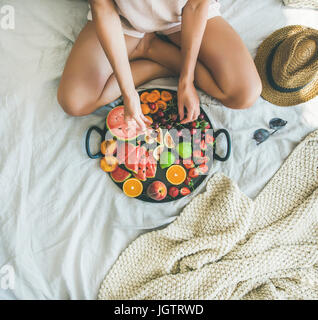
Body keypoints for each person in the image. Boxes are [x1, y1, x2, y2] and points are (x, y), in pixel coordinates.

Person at [57, 0, 262, 130]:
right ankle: (150, 49)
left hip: (183, 16)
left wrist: (186, 80)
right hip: (122, 20)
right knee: (75, 102)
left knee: (244, 94)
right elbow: (104, 10)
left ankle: (154, 50)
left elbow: (196, 5)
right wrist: (128, 92)